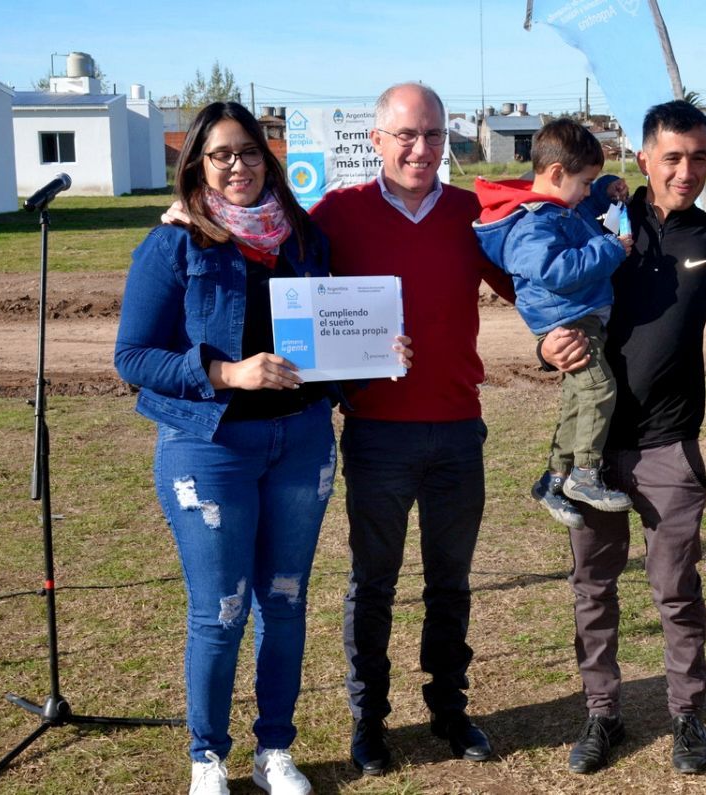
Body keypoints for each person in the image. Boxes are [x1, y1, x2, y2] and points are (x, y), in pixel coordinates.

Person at [118, 102, 406, 795]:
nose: (237, 166)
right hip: (209, 446)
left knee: (285, 600)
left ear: (267, 158)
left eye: (248, 151)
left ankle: (274, 748)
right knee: (221, 609)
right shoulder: (175, 243)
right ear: (198, 164)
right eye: (220, 154)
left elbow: (325, 344)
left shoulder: (302, 238)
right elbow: (133, 356)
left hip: (300, 440)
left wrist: (377, 353)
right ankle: (207, 755)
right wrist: (225, 372)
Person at [307, 82, 517, 777]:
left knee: (450, 583)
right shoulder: (338, 213)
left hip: (457, 430)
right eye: (406, 135)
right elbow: (282, 278)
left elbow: (529, 280)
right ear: (377, 140)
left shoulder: (469, 213)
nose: (421, 148)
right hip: (378, 435)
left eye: (432, 134)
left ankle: (449, 710)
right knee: (373, 584)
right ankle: (369, 720)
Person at [540, 100, 706, 775]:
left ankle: (687, 714)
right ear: (644, 159)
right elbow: (540, 290)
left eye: (699, 158)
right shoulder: (596, 222)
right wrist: (545, 346)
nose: (686, 171)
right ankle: (602, 713)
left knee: (676, 588)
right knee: (592, 587)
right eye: (672, 158)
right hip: (592, 453)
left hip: (670, 446)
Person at [472, 118, 634, 529]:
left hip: (578, 315)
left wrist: (606, 188)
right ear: (558, 173)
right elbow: (554, 269)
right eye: (585, 182)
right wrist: (611, 249)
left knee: (578, 400)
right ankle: (585, 474)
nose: (586, 193)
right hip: (568, 320)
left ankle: (555, 479)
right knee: (598, 389)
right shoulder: (532, 225)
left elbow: (582, 215)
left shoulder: (560, 207)